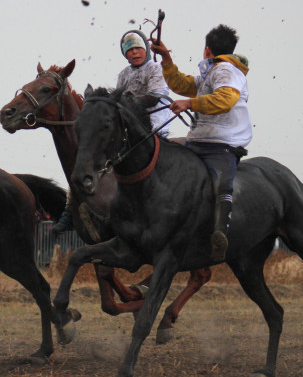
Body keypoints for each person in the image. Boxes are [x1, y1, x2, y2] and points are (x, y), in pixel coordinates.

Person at [52, 29, 174, 234]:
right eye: (129, 50)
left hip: (151, 129)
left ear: (146, 49)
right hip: (126, 131)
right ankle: (71, 210)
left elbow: (154, 98)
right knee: (89, 161)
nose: (134, 53)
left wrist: (127, 104)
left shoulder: (155, 69)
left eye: (138, 48)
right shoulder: (124, 74)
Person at [151, 24, 251, 261]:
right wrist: (166, 59)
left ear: (207, 50)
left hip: (222, 144)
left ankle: (220, 234)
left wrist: (190, 103)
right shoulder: (211, 72)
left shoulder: (225, 70)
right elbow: (182, 84)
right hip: (198, 141)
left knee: (221, 186)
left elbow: (225, 100)